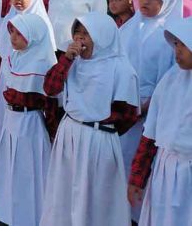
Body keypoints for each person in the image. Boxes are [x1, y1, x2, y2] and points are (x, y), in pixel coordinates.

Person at [41, 12, 140, 226]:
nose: (80, 39)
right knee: (64, 193)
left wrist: (101, 130)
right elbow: (50, 88)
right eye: (77, 32)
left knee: (96, 198)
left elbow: (129, 114)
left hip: (99, 140)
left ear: (102, 36)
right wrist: (65, 60)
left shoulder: (120, 69)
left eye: (87, 33)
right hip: (69, 134)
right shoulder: (71, 63)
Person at [118, 0, 182, 221]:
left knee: (143, 165)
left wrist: (148, 105)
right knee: (121, 165)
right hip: (123, 109)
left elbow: (171, 77)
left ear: (169, 0)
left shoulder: (172, 37)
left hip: (150, 115)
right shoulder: (129, 28)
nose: (145, 1)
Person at [0, 14, 55, 226]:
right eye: (13, 32)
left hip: (30, 123)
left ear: (34, 35)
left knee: (27, 172)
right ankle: (6, 214)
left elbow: (51, 102)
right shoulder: (15, 57)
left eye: (20, 34)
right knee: (9, 168)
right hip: (11, 119)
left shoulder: (44, 63)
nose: (14, 38)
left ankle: (27, 218)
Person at [128, 17, 192, 226]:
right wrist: (138, 178)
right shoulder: (171, 79)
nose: (178, 50)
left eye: (184, 44)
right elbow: (151, 132)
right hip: (165, 170)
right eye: (176, 44)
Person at [0, 0, 55, 146]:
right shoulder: (10, 18)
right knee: (3, 117)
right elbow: (0, 52)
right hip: (8, 76)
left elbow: (46, 57)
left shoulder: (41, 22)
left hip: (30, 84)